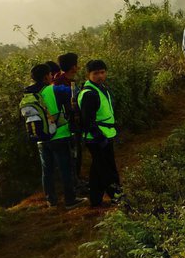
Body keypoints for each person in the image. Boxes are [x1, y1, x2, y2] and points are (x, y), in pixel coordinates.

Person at [25, 63, 81, 208]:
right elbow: (75, 93)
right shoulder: (54, 90)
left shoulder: (29, 94)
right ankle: (70, 200)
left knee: (47, 171)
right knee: (66, 169)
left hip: (41, 138)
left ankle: (51, 201)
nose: (52, 76)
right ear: (45, 77)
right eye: (50, 74)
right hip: (59, 135)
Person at [79, 59, 121, 207]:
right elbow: (87, 120)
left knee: (98, 169)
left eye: (102, 72)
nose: (100, 76)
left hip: (105, 134)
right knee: (107, 169)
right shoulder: (89, 93)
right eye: (95, 73)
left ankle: (95, 200)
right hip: (97, 138)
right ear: (88, 75)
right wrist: (99, 137)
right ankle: (117, 196)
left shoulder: (101, 88)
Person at [54, 52, 86, 197]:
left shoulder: (62, 81)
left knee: (75, 155)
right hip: (68, 126)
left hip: (72, 124)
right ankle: (75, 186)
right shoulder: (62, 84)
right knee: (73, 157)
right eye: (76, 64)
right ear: (73, 67)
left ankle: (77, 181)